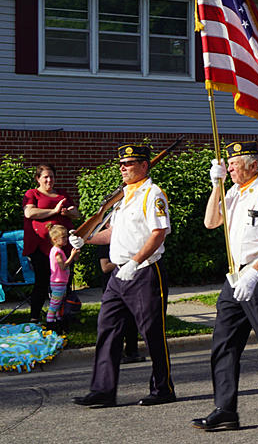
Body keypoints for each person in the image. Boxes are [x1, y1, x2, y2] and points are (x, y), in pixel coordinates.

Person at [192, 142, 258, 432]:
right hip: (235, 278)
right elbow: (211, 222)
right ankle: (225, 409)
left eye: (235, 162)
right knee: (223, 344)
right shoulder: (234, 191)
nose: (230, 166)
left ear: (254, 165)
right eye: (229, 162)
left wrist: (255, 272)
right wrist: (217, 184)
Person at [70, 144, 174, 408]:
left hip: (143, 270)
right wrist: (87, 239)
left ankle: (163, 388)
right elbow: (113, 233)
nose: (123, 168)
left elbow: (158, 233)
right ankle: (103, 391)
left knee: (152, 332)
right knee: (107, 327)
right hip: (118, 274)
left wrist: (135, 261)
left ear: (144, 165)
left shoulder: (153, 194)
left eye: (129, 164)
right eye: (121, 164)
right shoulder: (123, 196)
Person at [22, 164, 79, 323]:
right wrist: (54, 211)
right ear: (38, 179)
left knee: (64, 281)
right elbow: (30, 212)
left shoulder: (62, 194)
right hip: (41, 246)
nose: (49, 180)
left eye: (52, 176)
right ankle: (35, 316)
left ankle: (63, 315)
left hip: (63, 246)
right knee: (42, 281)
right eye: (45, 177)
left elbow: (77, 213)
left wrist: (68, 212)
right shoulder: (32, 194)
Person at [95, 244, 143, 364]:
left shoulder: (125, 241)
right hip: (112, 286)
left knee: (132, 320)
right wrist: (126, 262)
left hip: (129, 283)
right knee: (116, 321)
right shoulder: (105, 246)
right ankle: (116, 353)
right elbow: (105, 267)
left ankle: (132, 351)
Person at [44, 224, 78, 324]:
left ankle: (59, 320)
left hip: (61, 282)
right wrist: (72, 256)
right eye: (63, 237)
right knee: (54, 304)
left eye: (66, 237)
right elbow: (63, 266)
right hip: (58, 282)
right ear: (54, 239)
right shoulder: (57, 252)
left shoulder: (58, 250)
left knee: (59, 304)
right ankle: (50, 322)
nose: (66, 239)